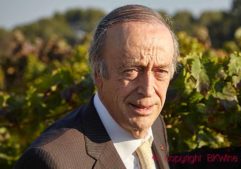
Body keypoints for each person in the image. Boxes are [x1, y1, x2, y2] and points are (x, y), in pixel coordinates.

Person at [14, 4, 178, 169]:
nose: (148, 90)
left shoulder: (155, 125)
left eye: (161, 71)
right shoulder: (50, 161)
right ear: (98, 74)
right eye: (131, 71)